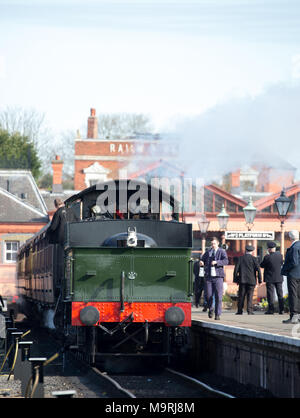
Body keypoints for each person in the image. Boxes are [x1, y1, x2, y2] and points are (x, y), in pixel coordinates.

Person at [201, 237, 228, 320]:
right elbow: (202, 259)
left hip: (218, 277)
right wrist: (201, 262)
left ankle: (217, 314)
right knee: (208, 295)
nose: (213, 245)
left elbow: (226, 261)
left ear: (218, 244)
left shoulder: (221, 251)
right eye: (212, 244)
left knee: (218, 296)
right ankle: (211, 308)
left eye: (214, 244)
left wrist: (217, 262)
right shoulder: (208, 252)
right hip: (209, 276)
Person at [233, 244, 262, 315]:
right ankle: (249, 310)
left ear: (245, 250)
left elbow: (236, 270)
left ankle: (240, 310)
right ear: (252, 251)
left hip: (242, 280)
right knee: (250, 295)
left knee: (241, 295)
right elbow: (258, 270)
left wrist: (236, 280)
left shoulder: (240, 258)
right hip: (252, 280)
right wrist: (260, 280)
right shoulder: (254, 259)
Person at [281, 230, 300, 324]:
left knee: (293, 295)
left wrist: (285, 269)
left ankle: (294, 315)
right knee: (299, 294)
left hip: (293, 274)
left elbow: (294, 262)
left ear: (290, 237)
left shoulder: (294, 247)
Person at [260, 241, 284, 315]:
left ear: (269, 249)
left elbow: (262, 265)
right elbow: (281, 263)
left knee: (270, 294)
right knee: (280, 293)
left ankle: (271, 310)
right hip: (279, 277)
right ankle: (281, 310)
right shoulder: (280, 255)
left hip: (270, 278)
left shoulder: (267, 257)